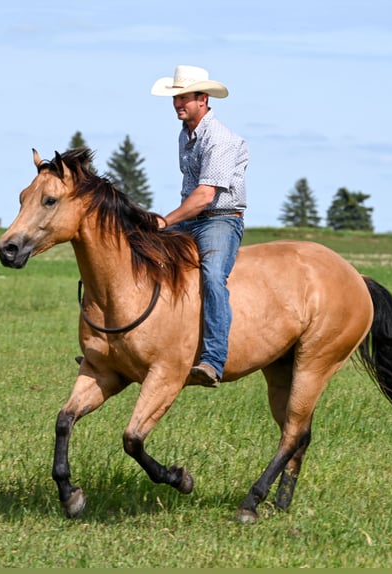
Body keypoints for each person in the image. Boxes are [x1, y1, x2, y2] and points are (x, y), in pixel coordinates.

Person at [151, 65, 249, 388]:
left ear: (203, 99)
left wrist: (165, 221)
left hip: (220, 220)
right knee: (145, 254)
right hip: (192, 220)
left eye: (185, 99)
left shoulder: (220, 139)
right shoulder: (185, 134)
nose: (179, 104)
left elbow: (206, 195)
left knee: (212, 275)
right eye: (176, 98)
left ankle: (213, 359)